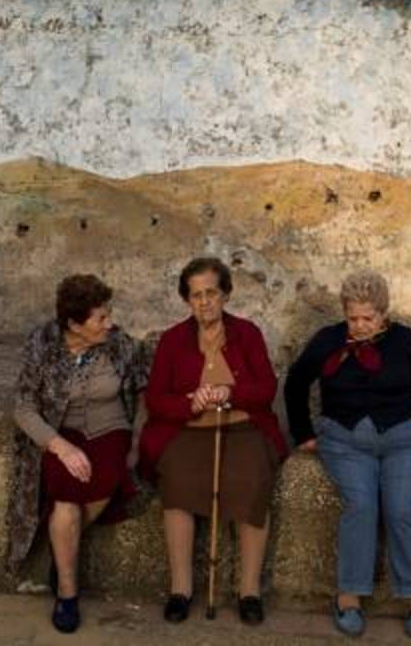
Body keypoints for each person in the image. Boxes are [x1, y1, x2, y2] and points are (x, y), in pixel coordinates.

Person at [285, 269, 411, 638]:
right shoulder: (328, 339)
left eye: (368, 318)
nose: (359, 325)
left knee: (403, 507)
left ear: (383, 313)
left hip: (402, 437)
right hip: (344, 439)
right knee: (361, 506)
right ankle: (349, 598)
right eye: (353, 317)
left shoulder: (404, 339)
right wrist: (304, 433)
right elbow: (296, 382)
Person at [139, 257, 289, 625]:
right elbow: (156, 399)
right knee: (176, 482)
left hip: (242, 428)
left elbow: (266, 389)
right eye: (195, 296)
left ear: (225, 295)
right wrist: (190, 401)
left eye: (211, 293)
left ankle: (249, 591)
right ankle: (181, 589)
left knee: (253, 482)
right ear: (187, 300)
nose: (204, 302)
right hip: (188, 430)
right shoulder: (173, 340)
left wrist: (229, 391)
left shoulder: (247, 334)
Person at [5, 274, 149, 633]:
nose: (109, 323)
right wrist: (60, 445)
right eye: (100, 318)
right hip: (59, 429)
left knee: (105, 480)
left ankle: (61, 548)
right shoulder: (42, 343)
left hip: (110, 426)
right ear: (73, 323)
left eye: (108, 314)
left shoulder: (119, 344)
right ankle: (67, 596)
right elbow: (23, 407)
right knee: (66, 494)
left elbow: (145, 389)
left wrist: (135, 442)